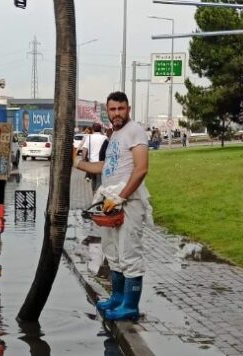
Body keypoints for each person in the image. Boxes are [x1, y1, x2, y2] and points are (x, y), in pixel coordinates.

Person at [73, 91, 151, 322]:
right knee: (113, 253)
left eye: (121, 109)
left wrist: (121, 197)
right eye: (113, 110)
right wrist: (79, 164)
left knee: (129, 253)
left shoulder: (135, 130)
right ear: (107, 112)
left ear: (128, 109)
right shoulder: (115, 134)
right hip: (110, 201)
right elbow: (108, 167)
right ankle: (117, 298)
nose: (117, 113)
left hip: (129, 202)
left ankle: (130, 306)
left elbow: (141, 168)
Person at [80, 122, 108, 192]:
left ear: (92, 129)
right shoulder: (105, 138)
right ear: (101, 129)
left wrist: (84, 161)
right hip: (101, 163)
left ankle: (94, 195)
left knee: (94, 181)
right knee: (99, 181)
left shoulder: (89, 138)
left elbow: (84, 151)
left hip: (91, 164)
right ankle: (97, 197)